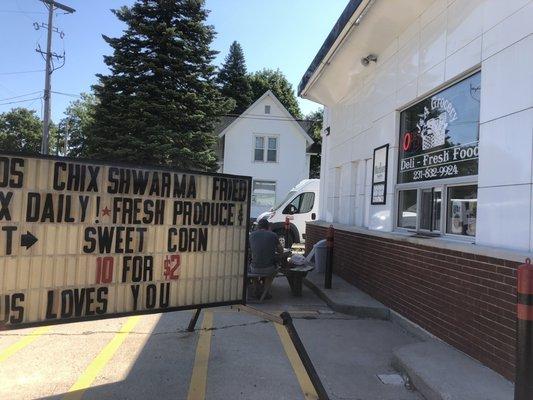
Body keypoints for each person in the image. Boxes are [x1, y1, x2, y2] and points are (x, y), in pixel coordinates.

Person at [248, 218, 283, 299]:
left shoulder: (251, 235)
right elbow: (280, 250)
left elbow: (249, 250)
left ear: (258, 226)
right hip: (268, 268)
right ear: (268, 226)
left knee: (251, 269)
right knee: (273, 271)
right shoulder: (273, 235)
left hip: (254, 268)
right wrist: (279, 256)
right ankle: (265, 291)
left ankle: (256, 288)